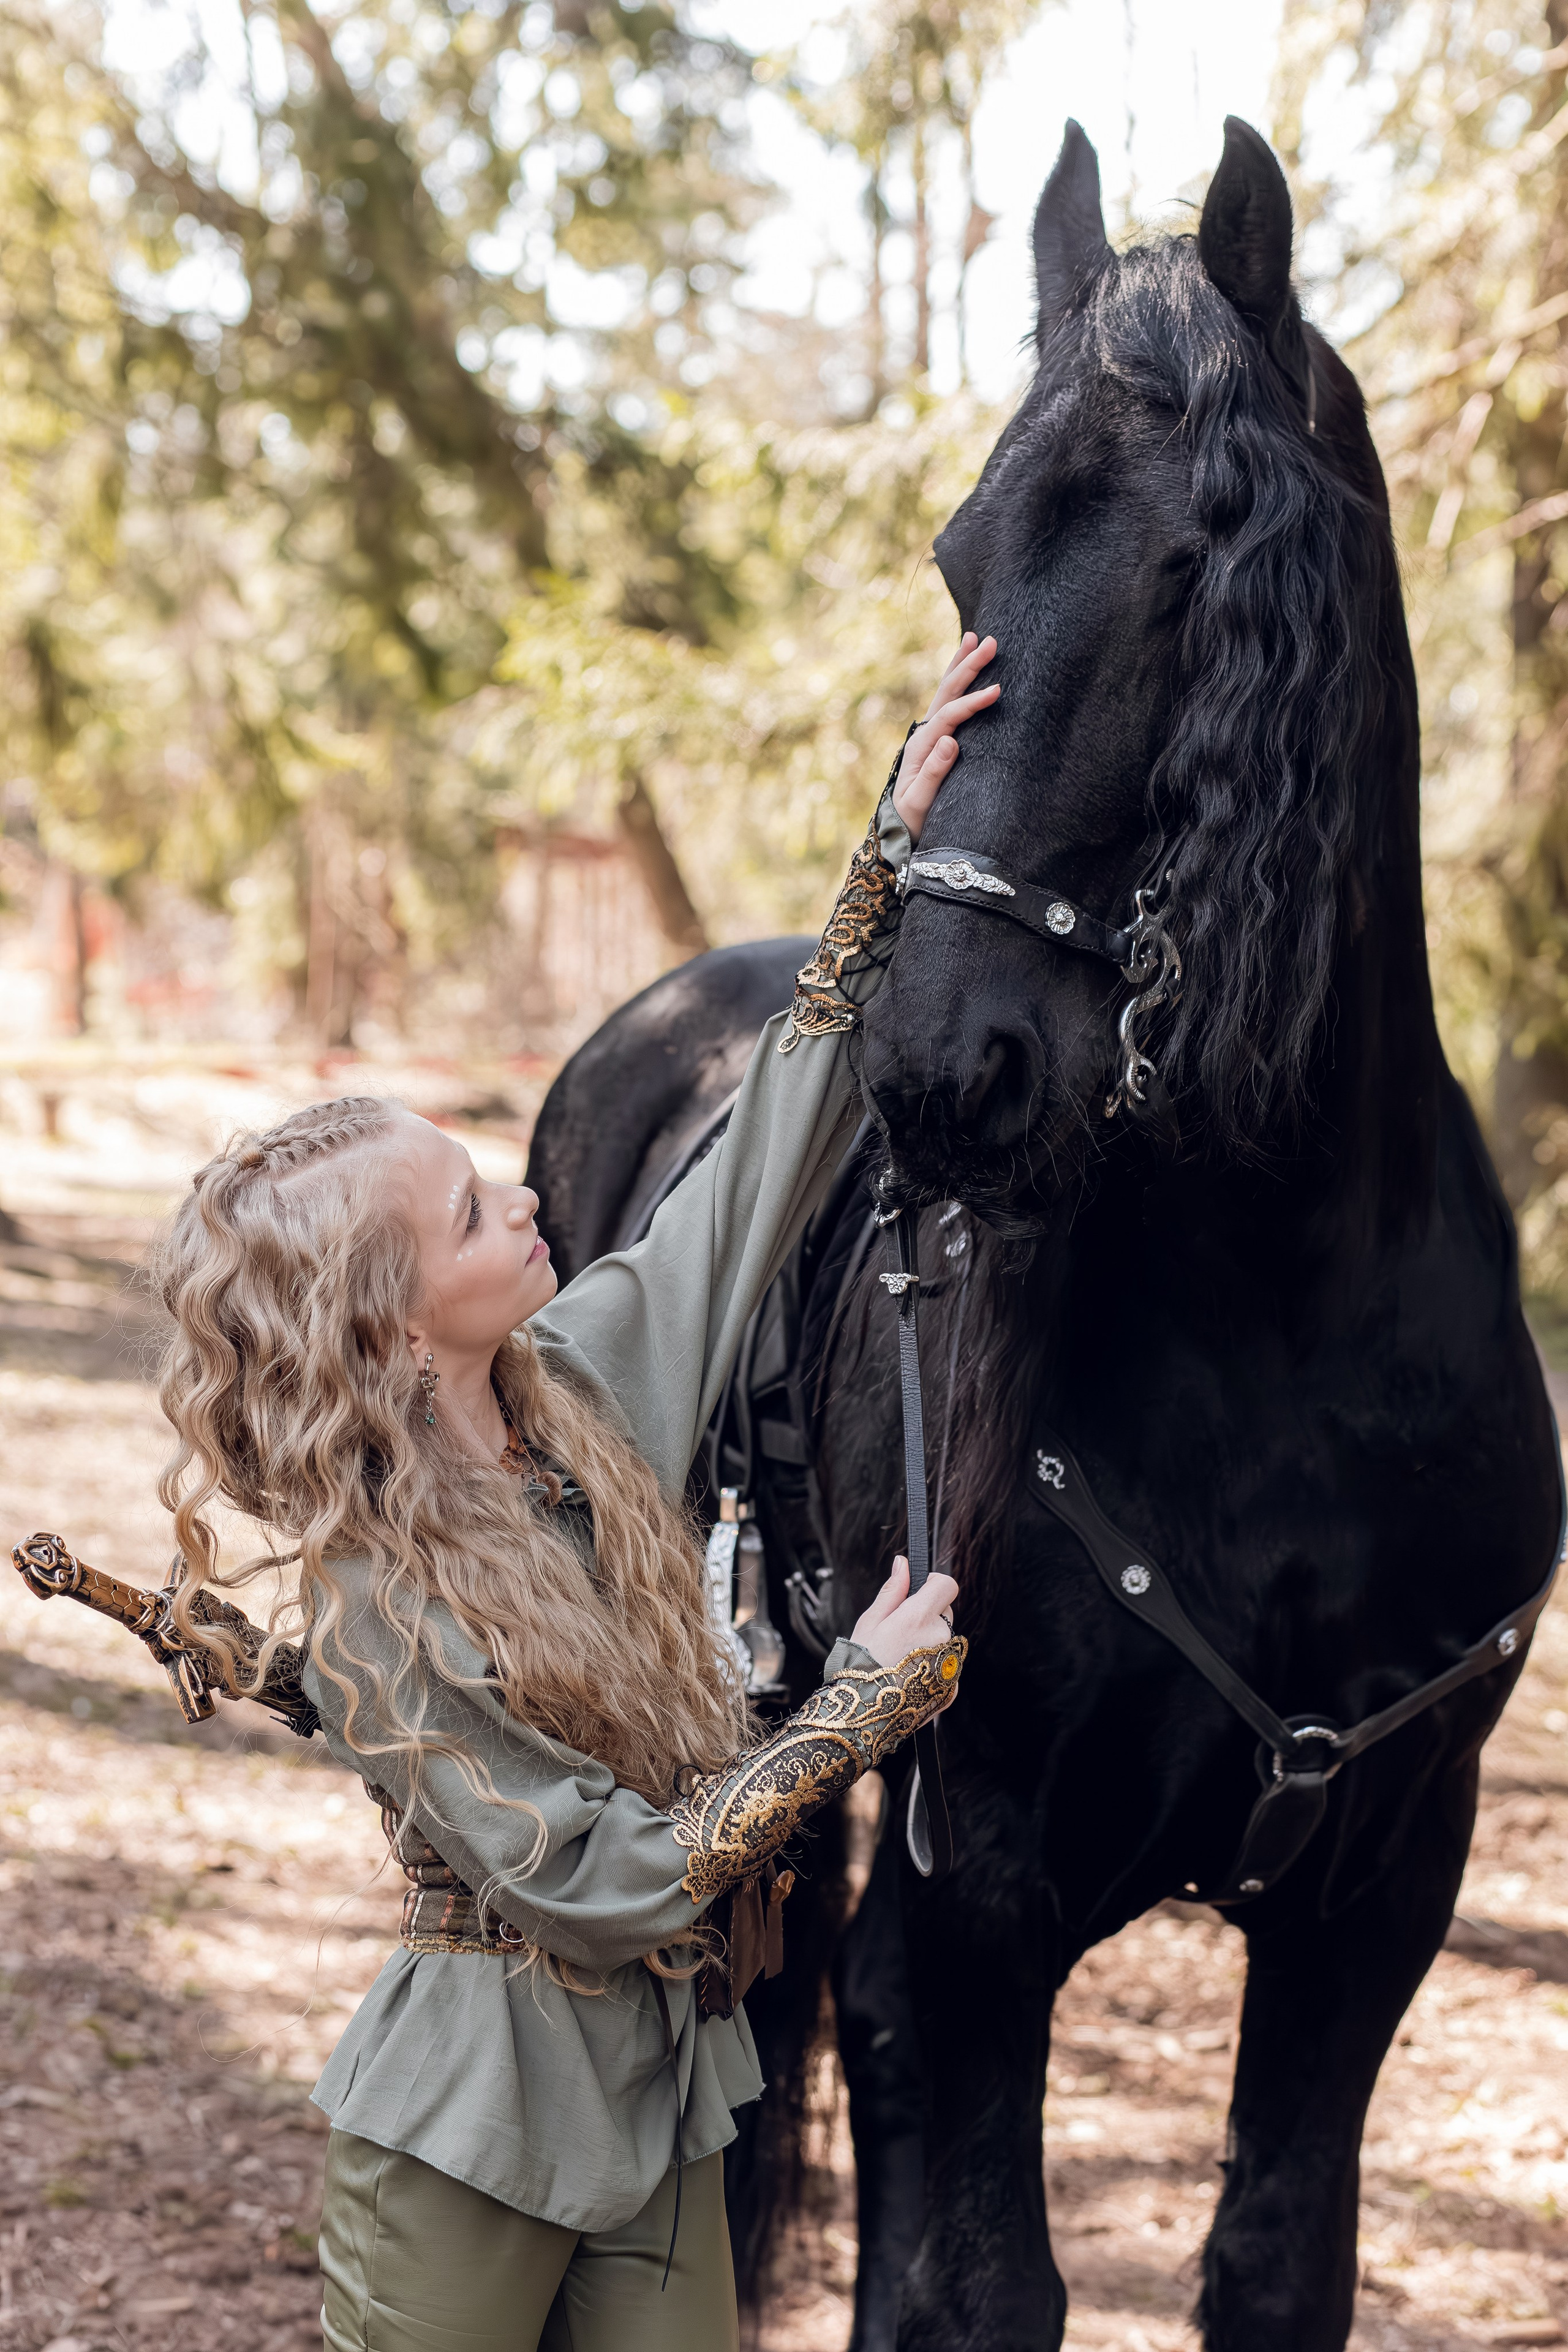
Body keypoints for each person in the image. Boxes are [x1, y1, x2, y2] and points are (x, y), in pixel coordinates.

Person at [149, 633, 1000, 2352]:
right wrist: (853, 1714)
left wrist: (892, 852)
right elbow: (605, 1881)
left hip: (661, 2090)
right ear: (386, 1321)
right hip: (471, 2128)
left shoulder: (590, 1374)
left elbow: (756, 1162)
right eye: (471, 1216)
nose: (525, 1208)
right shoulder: (381, 1601)